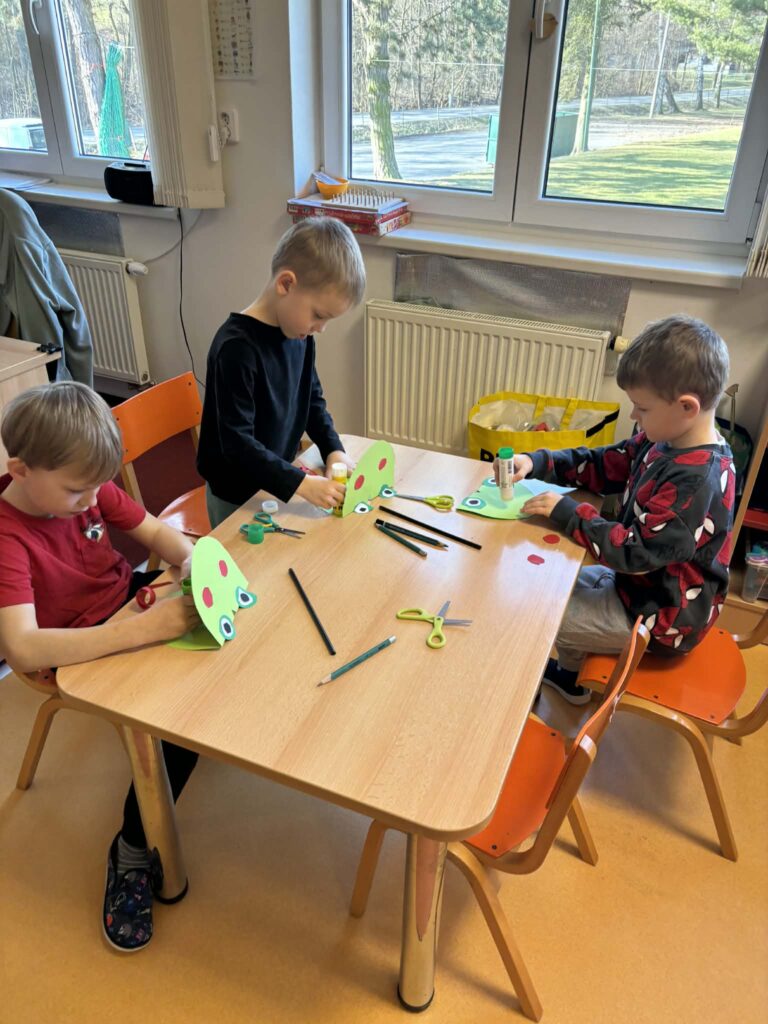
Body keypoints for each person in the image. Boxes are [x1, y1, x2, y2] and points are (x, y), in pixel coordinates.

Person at [0, 381, 201, 952]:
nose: (91, 501)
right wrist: (139, 631)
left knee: (213, 650)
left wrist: (192, 561)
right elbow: (24, 650)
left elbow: (156, 532)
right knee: (177, 729)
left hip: (121, 606)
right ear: (19, 470)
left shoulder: (86, 487)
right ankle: (133, 850)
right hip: (69, 649)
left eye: (96, 486)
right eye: (75, 491)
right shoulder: (7, 535)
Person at [507, 315, 734, 705]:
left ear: (686, 407)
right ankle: (573, 676)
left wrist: (569, 512)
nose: (634, 417)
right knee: (548, 584)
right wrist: (539, 461)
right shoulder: (667, 439)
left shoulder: (696, 482)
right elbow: (605, 463)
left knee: (542, 615)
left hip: (663, 619)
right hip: (638, 587)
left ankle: (561, 682)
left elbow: (633, 553)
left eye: (641, 408)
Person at [197, 216, 366, 527]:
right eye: (318, 315)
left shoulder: (300, 335)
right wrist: (301, 484)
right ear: (286, 284)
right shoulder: (236, 348)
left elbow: (312, 401)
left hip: (273, 482)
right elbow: (237, 445)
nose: (321, 328)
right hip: (235, 494)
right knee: (240, 557)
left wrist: (333, 449)